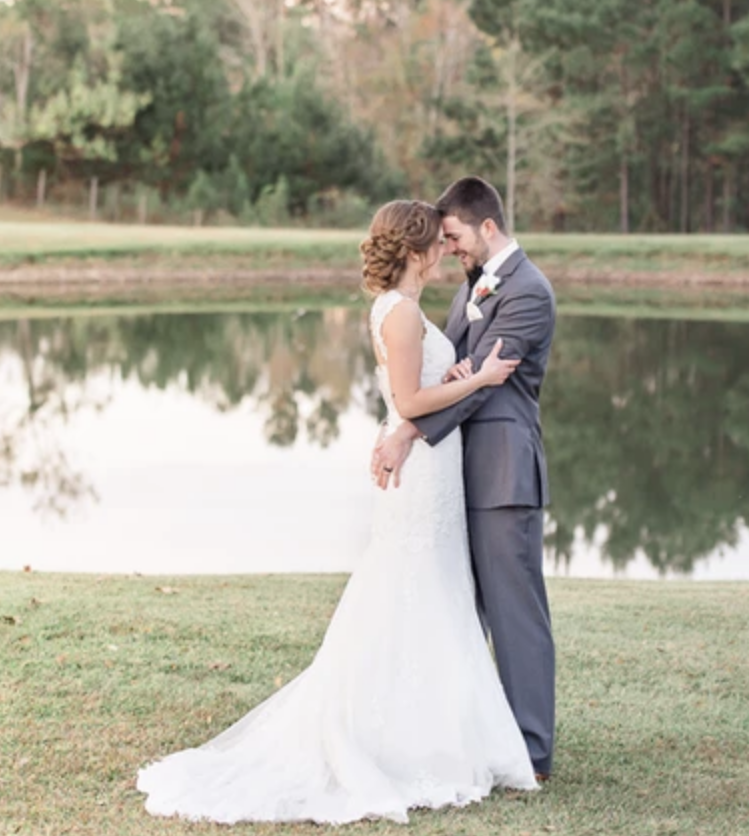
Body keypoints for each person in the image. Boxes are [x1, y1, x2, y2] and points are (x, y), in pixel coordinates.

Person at [136, 199, 538, 826]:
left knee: (432, 591)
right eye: (437, 241)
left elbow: (417, 393)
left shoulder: (403, 308)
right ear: (415, 251)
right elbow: (410, 400)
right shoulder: (399, 313)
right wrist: (480, 378)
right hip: (421, 470)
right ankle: (399, 741)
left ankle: (429, 731)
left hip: (432, 468)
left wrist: (456, 373)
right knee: (414, 586)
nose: (445, 248)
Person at [372, 176, 557, 781]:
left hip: (502, 473)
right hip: (455, 474)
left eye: (453, 237)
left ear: (487, 226)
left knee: (514, 614)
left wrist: (407, 429)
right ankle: (470, 736)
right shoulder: (471, 287)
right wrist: (404, 418)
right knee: (457, 611)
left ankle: (531, 752)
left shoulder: (528, 292)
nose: (447, 247)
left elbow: (482, 384)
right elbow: (447, 374)